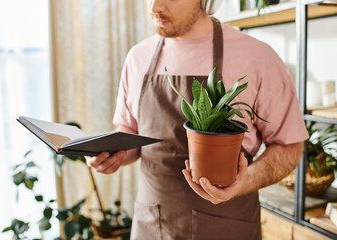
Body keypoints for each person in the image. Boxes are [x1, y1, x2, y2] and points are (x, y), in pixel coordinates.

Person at [86, 0, 309, 239]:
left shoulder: (258, 57)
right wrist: (111, 155)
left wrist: (244, 182)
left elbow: (290, 145)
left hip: (226, 228)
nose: (154, 7)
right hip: (152, 226)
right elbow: (129, 129)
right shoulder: (137, 57)